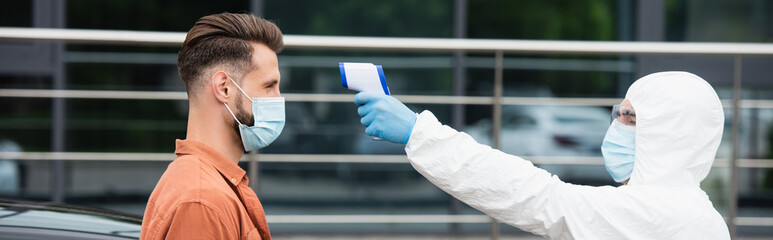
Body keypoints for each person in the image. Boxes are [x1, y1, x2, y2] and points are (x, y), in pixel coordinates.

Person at [354, 71, 730, 239]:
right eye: (618, 113)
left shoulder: (659, 214)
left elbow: (535, 196)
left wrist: (419, 132)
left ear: (669, 132)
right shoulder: (701, 217)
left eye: (630, 117)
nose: (616, 125)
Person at [140, 13, 284, 240]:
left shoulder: (207, 185)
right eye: (269, 86)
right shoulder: (202, 203)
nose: (278, 98)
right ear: (224, 88)